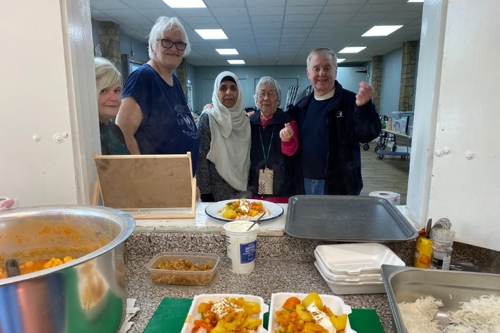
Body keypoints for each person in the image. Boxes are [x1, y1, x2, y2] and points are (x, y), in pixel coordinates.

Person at [288, 48, 381, 196]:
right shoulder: (301, 106)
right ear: (308, 73)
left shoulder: (351, 102)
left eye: (327, 68)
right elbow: (281, 120)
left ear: (335, 71)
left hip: (340, 185)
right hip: (305, 181)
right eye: (316, 68)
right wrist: (253, 116)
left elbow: (367, 134)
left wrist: (364, 108)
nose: (321, 73)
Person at [116, 16, 199, 174]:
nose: (174, 48)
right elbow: (123, 132)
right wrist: (144, 177)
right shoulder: (144, 77)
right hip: (155, 184)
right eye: (166, 41)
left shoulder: (173, 79)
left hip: (178, 182)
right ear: (152, 46)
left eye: (179, 44)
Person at [196, 71, 251, 202]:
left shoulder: (245, 120)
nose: (228, 92)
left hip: (242, 193)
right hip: (214, 195)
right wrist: (205, 194)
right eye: (223, 88)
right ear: (217, 91)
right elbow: (200, 159)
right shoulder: (207, 119)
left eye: (233, 88)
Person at [248, 76, 299, 203]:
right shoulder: (249, 122)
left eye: (271, 94)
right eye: (262, 94)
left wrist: (287, 139)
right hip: (254, 189)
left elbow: (291, 151)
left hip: (281, 190)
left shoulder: (288, 122)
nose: (266, 98)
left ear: (278, 99)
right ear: (256, 98)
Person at [94, 57, 129, 155]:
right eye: (104, 91)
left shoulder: (115, 130)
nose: (113, 98)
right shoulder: (86, 137)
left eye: (116, 90)